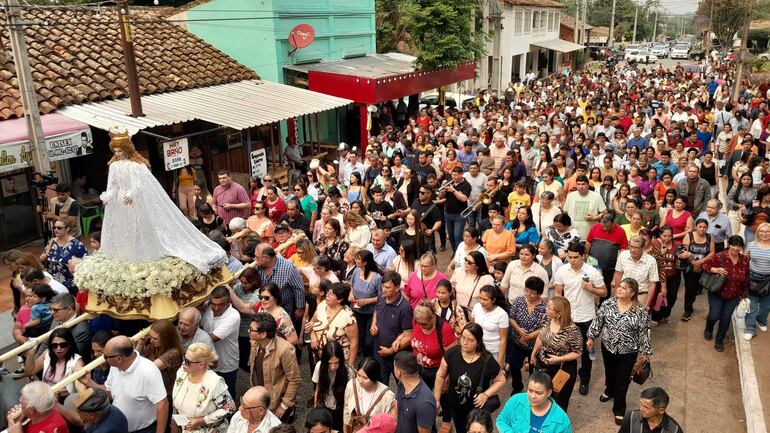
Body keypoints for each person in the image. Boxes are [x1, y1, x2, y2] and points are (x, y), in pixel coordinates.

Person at [97, 126, 226, 274]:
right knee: (124, 227)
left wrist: (132, 193)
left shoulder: (136, 166)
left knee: (138, 225)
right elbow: (112, 185)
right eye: (116, 151)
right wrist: (108, 196)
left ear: (127, 149)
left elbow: (140, 184)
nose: (118, 154)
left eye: (120, 150)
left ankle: (142, 251)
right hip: (120, 201)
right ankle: (128, 253)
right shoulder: (113, 166)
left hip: (133, 200)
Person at [587, 278, 653, 425]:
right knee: (610, 373)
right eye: (619, 286)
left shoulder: (640, 311)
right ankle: (609, 391)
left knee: (622, 380)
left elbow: (645, 332)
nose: (619, 289)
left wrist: (645, 352)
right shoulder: (608, 303)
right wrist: (591, 337)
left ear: (632, 293)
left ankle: (619, 409)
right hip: (608, 347)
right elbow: (598, 322)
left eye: (624, 288)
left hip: (628, 351)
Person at [433, 323, 505, 433]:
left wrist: (486, 395)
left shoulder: (487, 360)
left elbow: (501, 380)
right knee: (460, 429)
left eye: (470, 340)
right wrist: (437, 398)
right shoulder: (452, 353)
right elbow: (440, 375)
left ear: (478, 342)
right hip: (455, 405)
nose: (465, 342)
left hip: (476, 410)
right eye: (463, 338)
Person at [95, 336, 168, 433]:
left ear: (118, 359)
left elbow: (162, 404)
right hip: (120, 428)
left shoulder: (149, 371)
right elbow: (110, 393)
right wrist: (88, 382)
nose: (103, 359)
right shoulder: (115, 367)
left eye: (105, 356)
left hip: (144, 430)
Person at [529, 297, 582, 411]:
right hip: (543, 364)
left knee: (560, 400)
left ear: (559, 314)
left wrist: (559, 358)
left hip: (562, 368)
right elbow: (540, 337)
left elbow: (577, 352)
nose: (546, 309)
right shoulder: (547, 320)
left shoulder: (572, 330)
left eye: (549, 308)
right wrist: (534, 353)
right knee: (541, 395)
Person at [247, 313, 301, 421]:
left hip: (276, 404)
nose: (248, 331)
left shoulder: (285, 350)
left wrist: (284, 405)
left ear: (263, 334)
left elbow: (295, 379)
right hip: (260, 399)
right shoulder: (254, 342)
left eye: (251, 329)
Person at [171, 343, 235, 433]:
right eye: (184, 358)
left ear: (201, 364)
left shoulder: (215, 382)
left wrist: (202, 420)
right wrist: (174, 420)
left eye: (188, 361)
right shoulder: (182, 372)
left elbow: (230, 408)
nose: (183, 363)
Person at [700, 235, 749, 351]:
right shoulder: (719, 256)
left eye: (739, 246)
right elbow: (704, 265)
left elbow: (746, 278)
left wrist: (744, 295)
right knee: (714, 315)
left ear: (741, 247)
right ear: (729, 245)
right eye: (733, 245)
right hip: (717, 292)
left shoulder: (744, 260)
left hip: (734, 295)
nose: (736, 248)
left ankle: (719, 340)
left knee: (726, 318)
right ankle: (709, 327)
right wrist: (716, 270)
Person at [506, 276, 548, 394]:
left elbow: (546, 326)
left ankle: (532, 390)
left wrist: (532, 335)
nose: (528, 294)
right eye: (527, 290)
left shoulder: (544, 308)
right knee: (514, 366)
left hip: (535, 345)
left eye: (532, 292)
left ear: (539, 294)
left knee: (534, 369)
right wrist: (519, 330)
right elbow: (511, 318)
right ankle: (517, 387)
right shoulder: (519, 301)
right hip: (517, 341)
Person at [370, 271, 413, 384]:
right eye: (383, 286)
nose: (384, 290)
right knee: (380, 384)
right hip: (379, 352)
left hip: (397, 357)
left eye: (388, 287)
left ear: (397, 287)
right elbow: (376, 312)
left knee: (402, 386)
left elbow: (408, 336)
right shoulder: (381, 297)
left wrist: (390, 351)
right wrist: (373, 324)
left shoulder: (405, 308)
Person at [496, 371, 572, 433]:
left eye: (538, 393)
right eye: (530, 390)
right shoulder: (516, 400)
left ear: (549, 393)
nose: (532, 396)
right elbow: (501, 420)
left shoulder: (562, 420)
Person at [201, 286, 241, 400]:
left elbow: (211, 338)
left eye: (220, 305)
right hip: (209, 361)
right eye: (213, 303)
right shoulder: (209, 307)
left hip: (226, 363)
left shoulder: (233, 316)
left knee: (227, 396)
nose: (216, 308)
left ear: (228, 302)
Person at [23, 328, 86, 401]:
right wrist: (30, 355)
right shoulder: (47, 354)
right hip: (46, 396)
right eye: (54, 346)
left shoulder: (77, 361)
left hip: (64, 399)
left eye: (63, 345)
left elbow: (80, 385)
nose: (58, 349)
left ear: (69, 345)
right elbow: (29, 372)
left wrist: (82, 397)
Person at [255, 245, 306, 327]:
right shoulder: (257, 267)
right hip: (265, 305)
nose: (255, 259)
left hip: (285, 305)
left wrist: (299, 308)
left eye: (257, 257)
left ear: (267, 258)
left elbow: (298, 289)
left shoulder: (288, 267)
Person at [411, 300, 457, 389]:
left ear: (432, 317)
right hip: (418, 368)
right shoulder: (418, 320)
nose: (420, 326)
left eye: (424, 324)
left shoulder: (444, 329)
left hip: (437, 372)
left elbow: (453, 357)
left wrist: (446, 379)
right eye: (418, 323)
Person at [310, 283, 359, 367]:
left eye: (331, 294)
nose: (327, 295)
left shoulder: (348, 317)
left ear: (339, 299)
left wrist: (350, 366)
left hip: (339, 359)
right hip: (322, 356)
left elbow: (354, 342)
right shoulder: (322, 305)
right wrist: (313, 336)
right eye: (328, 292)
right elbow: (312, 323)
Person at [342, 358, 396, 433]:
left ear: (374, 377)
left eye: (365, 378)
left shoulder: (387, 396)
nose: (360, 381)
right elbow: (346, 409)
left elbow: (389, 424)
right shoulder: (352, 385)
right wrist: (345, 429)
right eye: (359, 375)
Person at [312, 341, 353, 431]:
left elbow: (350, 396)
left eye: (336, 363)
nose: (333, 367)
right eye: (330, 363)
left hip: (340, 408)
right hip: (324, 406)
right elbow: (317, 389)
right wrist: (315, 409)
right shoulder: (319, 367)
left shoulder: (348, 372)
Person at [136, 320, 183, 399]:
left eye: (155, 338)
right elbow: (135, 361)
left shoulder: (174, 353)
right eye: (150, 336)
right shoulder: (153, 346)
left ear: (166, 339)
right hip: (152, 389)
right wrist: (141, 343)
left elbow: (148, 369)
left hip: (165, 395)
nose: (151, 340)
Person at [680, 218, 715, 321]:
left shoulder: (709, 237)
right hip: (689, 267)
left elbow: (712, 252)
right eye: (700, 227)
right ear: (696, 227)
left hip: (703, 267)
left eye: (705, 227)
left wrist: (700, 262)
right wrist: (693, 262)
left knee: (696, 289)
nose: (702, 229)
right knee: (690, 288)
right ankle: (688, 310)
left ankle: (692, 301)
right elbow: (684, 251)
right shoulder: (689, 235)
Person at [394, 351, 437, 433]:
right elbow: (396, 410)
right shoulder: (402, 384)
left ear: (398, 372)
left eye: (394, 367)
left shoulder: (424, 403)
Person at [41, 219, 87, 295]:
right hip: (54, 284)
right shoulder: (52, 242)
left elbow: (85, 264)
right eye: (54, 227)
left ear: (67, 229)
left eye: (59, 228)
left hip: (70, 284)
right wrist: (43, 258)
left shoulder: (77, 245)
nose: (56, 230)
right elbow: (45, 260)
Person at [350, 249, 382, 358]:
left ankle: (372, 359)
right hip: (357, 309)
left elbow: (382, 296)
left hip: (370, 312)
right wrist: (351, 294)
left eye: (358, 259)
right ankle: (365, 358)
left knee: (369, 340)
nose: (356, 260)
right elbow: (352, 285)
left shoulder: (377, 278)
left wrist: (367, 301)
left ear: (365, 262)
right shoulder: (356, 271)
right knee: (361, 337)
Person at [612, 236, 659, 306]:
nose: (633, 250)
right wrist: (616, 295)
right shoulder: (623, 255)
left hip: (640, 296)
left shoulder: (651, 261)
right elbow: (618, 274)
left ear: (643, 248)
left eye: (636, 248)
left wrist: (647, 304)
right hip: (623, 294)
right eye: (631, 246)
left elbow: (652, 284)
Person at [744, 222, 770, 341]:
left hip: (768, 280)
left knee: (766, 306)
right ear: (757, 232)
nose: (764, 234)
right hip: (753, 278)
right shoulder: (751, 245)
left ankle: (761, 320)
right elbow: (745, 262)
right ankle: (750, 328)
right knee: (752, 305)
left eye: (767, 231)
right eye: (762, 231)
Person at [618, 387, 684, 433]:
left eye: (646, 407)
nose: (641, 409)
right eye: (641, 404)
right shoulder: (632, 418)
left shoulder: (674, 430)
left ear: (661, 410)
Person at [438, 167, 472, 251]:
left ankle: (459, 252)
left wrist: (453, 190)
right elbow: (441, 197)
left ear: (461, 174)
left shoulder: (466, 185)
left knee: (458, 236)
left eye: (456, 175)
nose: (453, 177)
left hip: (459, 215)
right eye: (452, 174)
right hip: (448, 213)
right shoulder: (450, 182)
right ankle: (454, 252)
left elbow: (464, 198)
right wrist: (442, 191)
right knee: (451, 235)